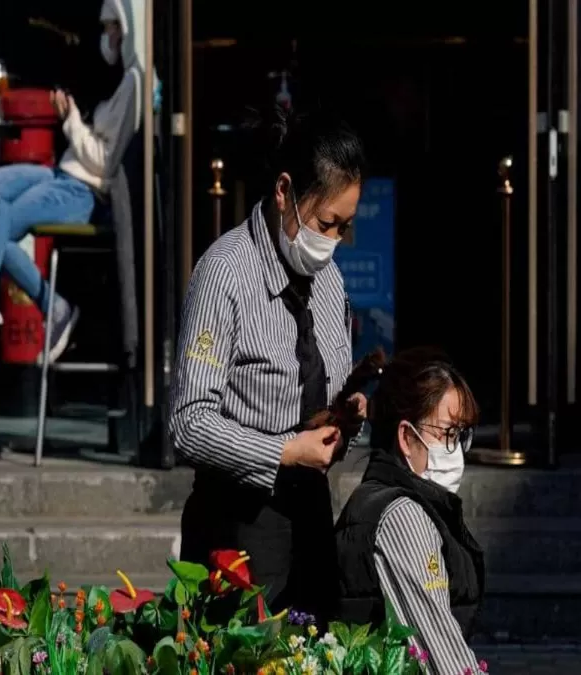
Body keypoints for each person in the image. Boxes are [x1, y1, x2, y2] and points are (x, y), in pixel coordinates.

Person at [170, 107, 367, 625]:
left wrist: (346, 418)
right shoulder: (224, 272)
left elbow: (325, 387)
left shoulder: (329, 280)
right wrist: (282, 451)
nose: (332, 240)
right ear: (284, 192)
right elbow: (188, 422)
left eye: (344, 227)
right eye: (325, 223)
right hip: (238, 524)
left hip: (310, 520)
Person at [0, 0, 144, 365]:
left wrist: (71, 122)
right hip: (66, 172)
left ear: (127, 30)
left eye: (111, 27)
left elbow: (104, 161)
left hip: (84, 190)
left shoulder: (134, 83)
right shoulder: (122, 80)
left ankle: (45, 305)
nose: (106, 35)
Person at [335, 348, 486, 675]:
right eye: (447, 433)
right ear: (405, 436)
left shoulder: (385, 500)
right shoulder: (403, 517)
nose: (456, 451)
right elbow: (443, 655)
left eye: (462, 435)